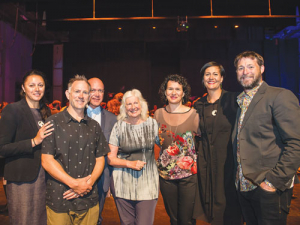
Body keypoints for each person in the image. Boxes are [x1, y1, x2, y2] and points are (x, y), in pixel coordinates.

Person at [232, 51, 300, 225]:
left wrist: (272, 182)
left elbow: (295, 143)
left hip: (268, 188)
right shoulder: (240, 102)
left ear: (262, 68)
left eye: (250, 66)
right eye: (240, 68)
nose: (245, 71)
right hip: (244, 186)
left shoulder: (279, 96)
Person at [41, 75, 109, 225]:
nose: (81, 96)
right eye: (77, 91)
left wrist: (87, 184)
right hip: (60, 199)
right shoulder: (53, 122)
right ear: (67, 94)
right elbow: (46, 160)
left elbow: (100, 158)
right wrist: (74, 184)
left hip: (88, 198)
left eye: (85, 92)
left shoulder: (94, 126)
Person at [0, 69, 53, 225]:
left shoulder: (46, 111)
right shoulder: (12, 110)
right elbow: (2, 148)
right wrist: (33, 141)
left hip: (44, 177)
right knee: (23, 220)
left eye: (40, 85)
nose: (37, 89)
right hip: (21, 179)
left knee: (41, 220)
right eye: (31, 85)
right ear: (23, 88)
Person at [193, 62, 242, 224]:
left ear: (221, 78)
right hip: (207, 163)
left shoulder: (234, 100)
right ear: (203, 79)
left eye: (215, 74)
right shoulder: (198, 105)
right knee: (210, 208)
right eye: (207, 74)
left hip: (229, 162)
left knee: (230, 206)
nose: (211, 77)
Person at [107, 89, 159, 225]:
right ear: (124, 107)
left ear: (141, 104)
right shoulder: (118, 126)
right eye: (128, 104)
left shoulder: (152, 124)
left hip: (148, 185)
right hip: (122, 184)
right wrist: (129, 164)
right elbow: (111, 158)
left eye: (135, 103)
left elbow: (166, 147)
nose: (133, 107)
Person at [154, 74, 199, 225]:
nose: (174, 92)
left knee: (186, 220)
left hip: (188, 176)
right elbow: (159, 142)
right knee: (173, 219)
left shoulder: (194, 114)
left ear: (184, 93)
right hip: (166, 176)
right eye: (170, 89)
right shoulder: (158, 114)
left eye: (178, 89)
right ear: (165, 92)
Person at [87, 77, 117, 225]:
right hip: (76, 177)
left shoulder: (112, 119)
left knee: (96, 219)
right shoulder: (75, 114)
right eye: (93, 90)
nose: (97, 94)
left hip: (101, 177)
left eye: (100, 90)